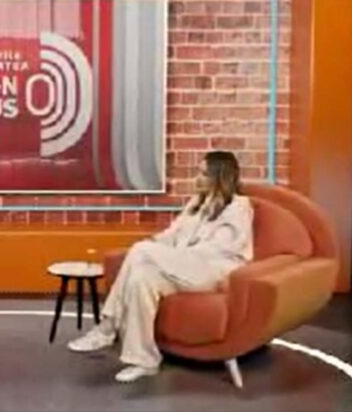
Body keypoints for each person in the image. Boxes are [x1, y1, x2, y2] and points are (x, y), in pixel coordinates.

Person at [67, 151, 254, 383]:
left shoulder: (238, 207)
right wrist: (158, 245)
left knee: (141, 251)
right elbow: (172, 234)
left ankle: (107, 327)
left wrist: (164, 256)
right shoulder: (197, 204)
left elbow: (217, 250)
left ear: (220, 177)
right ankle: (144, 360)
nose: (197, 178)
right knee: (141, 277)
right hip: (183, 268)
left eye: (204, 174)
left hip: (213, 271)